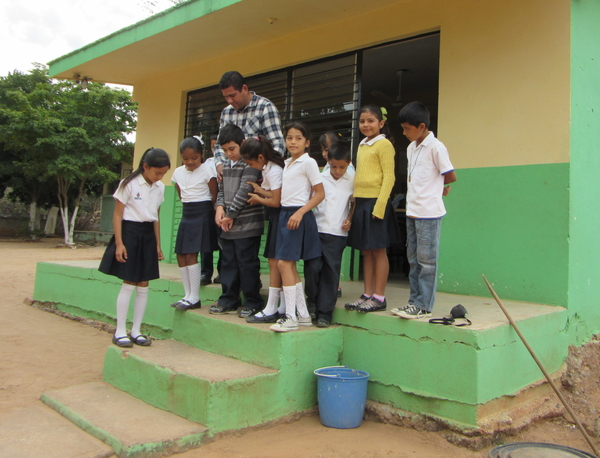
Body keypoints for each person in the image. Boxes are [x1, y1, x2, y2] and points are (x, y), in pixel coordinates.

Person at [98, 148, 171, 347]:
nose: (160, 177)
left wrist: (157, 244)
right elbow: (117, 215)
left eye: (163, 174)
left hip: (148, 235)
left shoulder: (160, 188)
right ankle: (120, 331)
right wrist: (120, 244)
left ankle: (136, 331)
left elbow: (156, 217)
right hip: (129, 233)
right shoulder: (128, 184)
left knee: (144, 283)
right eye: (157, 173)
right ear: (145, 167)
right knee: (129, 281)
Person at [392, 101, 456, 319]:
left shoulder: (436, 147)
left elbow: (450, 174)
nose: (404, 133)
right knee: (413, 259)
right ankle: (413, 302)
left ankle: (424, 305)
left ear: (421, 126)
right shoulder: (411, 148)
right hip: (412, 211)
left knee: (427, 261)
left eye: (407, 128)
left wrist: (442, 187)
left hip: (429, 212)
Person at [270, 122, 325, 332]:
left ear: (307, 143)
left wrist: (301, 212)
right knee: (289, 266)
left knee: (283, 264)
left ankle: (290, 317)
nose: (293, 141)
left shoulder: (308, 162)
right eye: (289, 137)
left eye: (298, 138)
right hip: (285, 214)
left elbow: (320, 193)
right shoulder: (287, 163)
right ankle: (302, 315)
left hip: (297, 215)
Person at [345, 106, 399, 313]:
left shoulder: (384, 144)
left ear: (381, 123)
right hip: (362, 203)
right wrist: (354, 202)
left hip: (377, 203)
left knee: (378, 250)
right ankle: (367, 294)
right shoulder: (361, 145)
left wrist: (380, 205)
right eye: (362, 121)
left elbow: (389, 177)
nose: (366, 125)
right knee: (366, 251)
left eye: (371, 121)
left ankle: (379, 296)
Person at [210, 124, 265, 317]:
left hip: (247, 225)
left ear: (242, 143)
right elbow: (223, 189)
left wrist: (231, 214)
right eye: (224, 150)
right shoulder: (226, 164)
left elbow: (245, 190)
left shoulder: (249, 163)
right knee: (228, 263)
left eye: (232, 149)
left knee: (247, 264)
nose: (228, 153)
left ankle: (253, 301)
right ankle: (229, 300)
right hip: (228, 224)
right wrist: (219, 208)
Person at [304, 141, 355, 327]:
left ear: (349, 163)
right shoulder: (320, 178)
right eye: (334, 166)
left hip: (337, 234)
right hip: (316, 230)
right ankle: (312, 300)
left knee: (331, 273)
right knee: (312, 268)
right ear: (328, 161)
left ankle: (325, 312)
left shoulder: (352, 181)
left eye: (342, 167)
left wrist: (350, 218)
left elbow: (354, 202)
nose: (338, 171)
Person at [240, 136, 286, 323]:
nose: (250, 166)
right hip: (277, 217)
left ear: (260, 157)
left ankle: (273, 307)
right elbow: (275, 194)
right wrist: (260, 190)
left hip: (280, 216)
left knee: (276, 261)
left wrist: (259, 198)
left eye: (250, 162)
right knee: (275, 261)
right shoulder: (269, 168)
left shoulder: (274, 170)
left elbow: (276, 201)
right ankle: (280, 306)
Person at [170, 136, 218, 311]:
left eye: (194, 158)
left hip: (203, 213)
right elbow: (181, 194)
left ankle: (195, 298)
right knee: (180, 254)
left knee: (191, 254)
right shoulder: (178, 173)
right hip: (187, 213)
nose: (190, 162)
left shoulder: (208, 171)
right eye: (185, 159)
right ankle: (187, 295)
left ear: (202, 155)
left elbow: (214, 196)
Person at [213, 71, 285, 179]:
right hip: (233, 177)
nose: (229, 100)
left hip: (259, 176)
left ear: (245, 89)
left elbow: (277, 144)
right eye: (226, 97)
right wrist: (219, 164)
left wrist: (267, 170)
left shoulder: (265, 107)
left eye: (232, 95)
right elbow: (220, 144)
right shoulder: (226, 112)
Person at [200, 132, 222, 285]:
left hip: (223, 205)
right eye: (214, 147)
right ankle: (205, 273)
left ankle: (223, 273)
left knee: (223, 242)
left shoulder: (229, 161)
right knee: (205, 241)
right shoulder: (206, 164)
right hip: (208, 205)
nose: (216, 150)